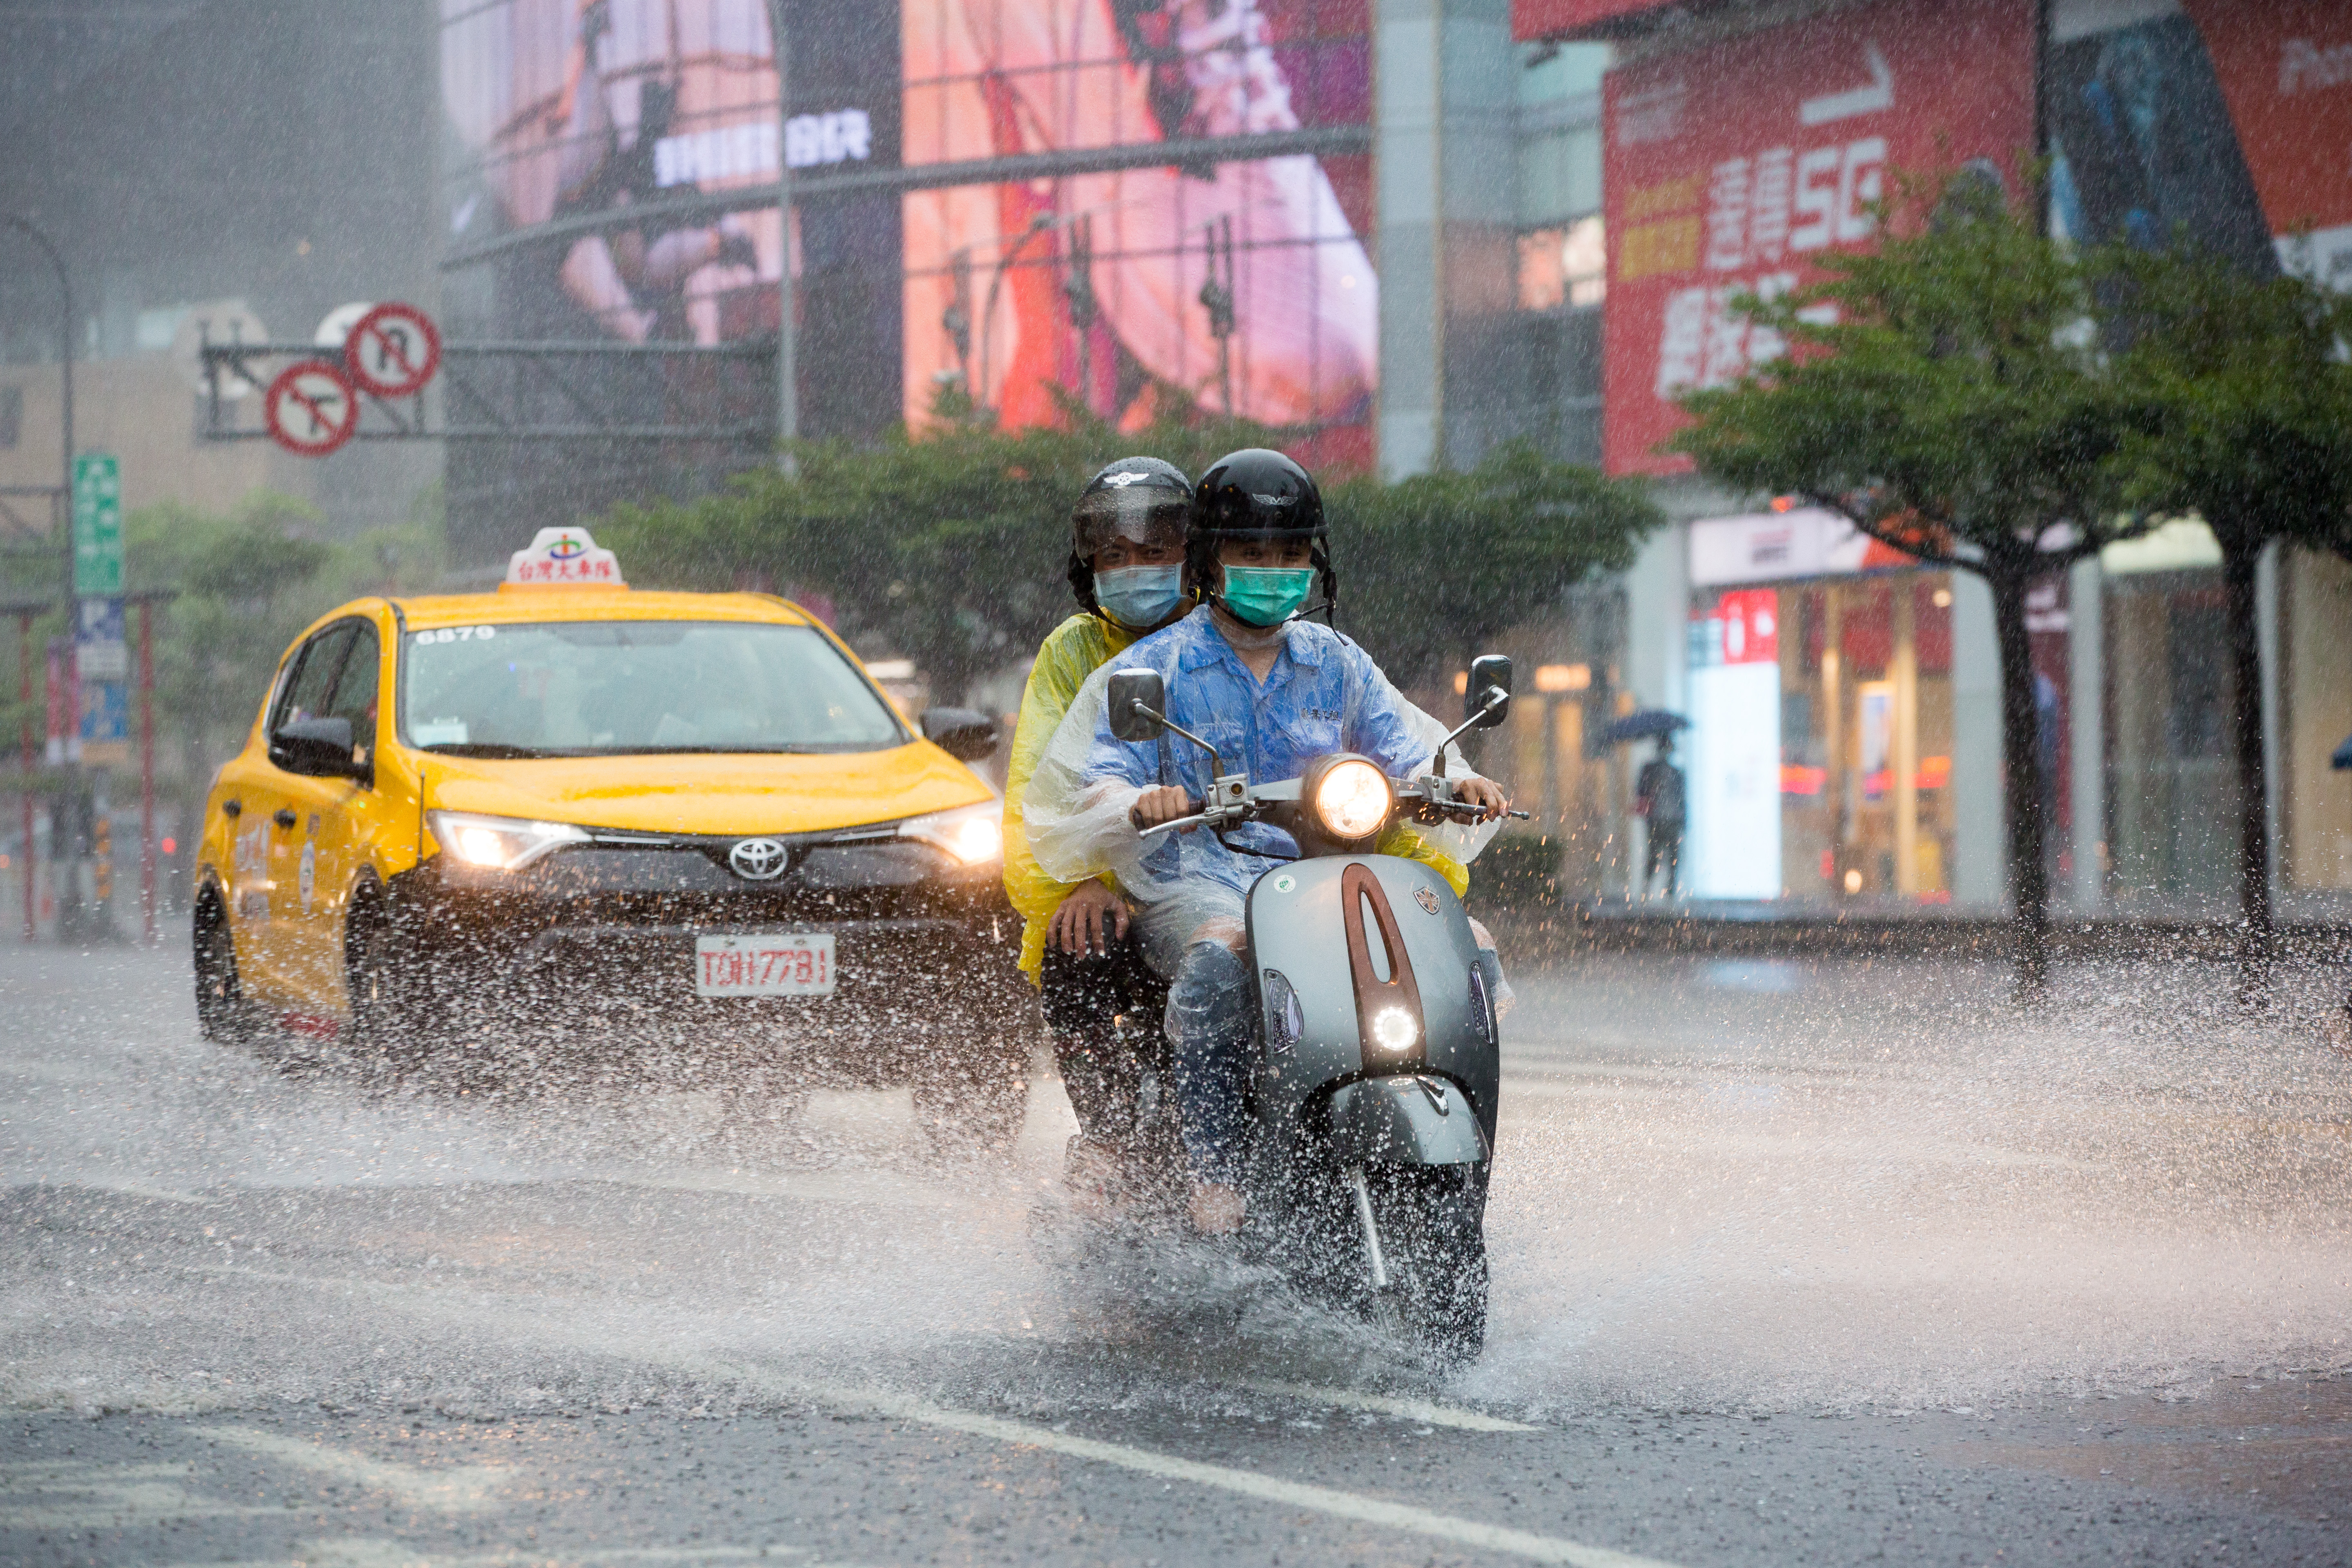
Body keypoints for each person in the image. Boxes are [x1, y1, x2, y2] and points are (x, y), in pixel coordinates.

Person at [1024, 449, 1510, 1236]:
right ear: (1211, 563)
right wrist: (1137, 800)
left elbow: (1405, 747)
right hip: (1199, 877)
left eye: (1289, 556)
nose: (1272, 571)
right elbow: (1096, 775)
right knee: (1222, 947)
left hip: (1325, 869)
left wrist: (1460, 784)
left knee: (1470, 942)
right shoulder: (1157, 666)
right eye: (1252, 554)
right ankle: (1216, 1176)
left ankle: (1466, 1155)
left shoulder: (1336, 660)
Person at [1002, 457, 1199, 1209]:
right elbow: (1035, 794)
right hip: (1124, 892)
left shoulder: (1243, 638)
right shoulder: (1071, 653)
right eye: (1116, 556)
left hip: (1240, 880)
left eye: (1156, 552)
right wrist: (1076, 881)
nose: (1137, 569)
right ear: (1089, 568)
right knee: (1077, 940)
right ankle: (1109, 1140)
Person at [1635, 733, 1686, 898]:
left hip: (1671, 819)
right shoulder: (1649, 770)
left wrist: (1683, 821)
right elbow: (1640, 792)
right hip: (1657, 819)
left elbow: (1682, 798)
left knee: (1673, 857)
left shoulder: (1677, 773)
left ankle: (1670, 892)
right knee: (1654, 855)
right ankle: (1647, 889)